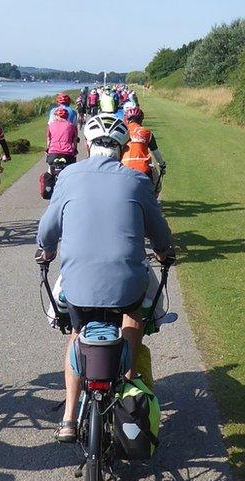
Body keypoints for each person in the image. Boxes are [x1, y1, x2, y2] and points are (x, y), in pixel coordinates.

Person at [36, 113, 175, 442]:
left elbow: (47, 230)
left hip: (78, 284)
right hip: (126, 284)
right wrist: (165, 252)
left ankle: (69, 418)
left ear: (86, 145)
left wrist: (46, 251)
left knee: (76, 332)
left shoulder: (68, 176)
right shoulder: (137, 181)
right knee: (134, 318)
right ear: (124, 147)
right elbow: (159, 233)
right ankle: (125, 388)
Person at [121, 107, 166, 196]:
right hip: (143, 169)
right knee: (156, 187)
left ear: (127, 119)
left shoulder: (122, 131)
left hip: (123, 168)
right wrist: (162, 165)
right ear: (141, 120)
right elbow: (155, 152)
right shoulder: (147, 133)